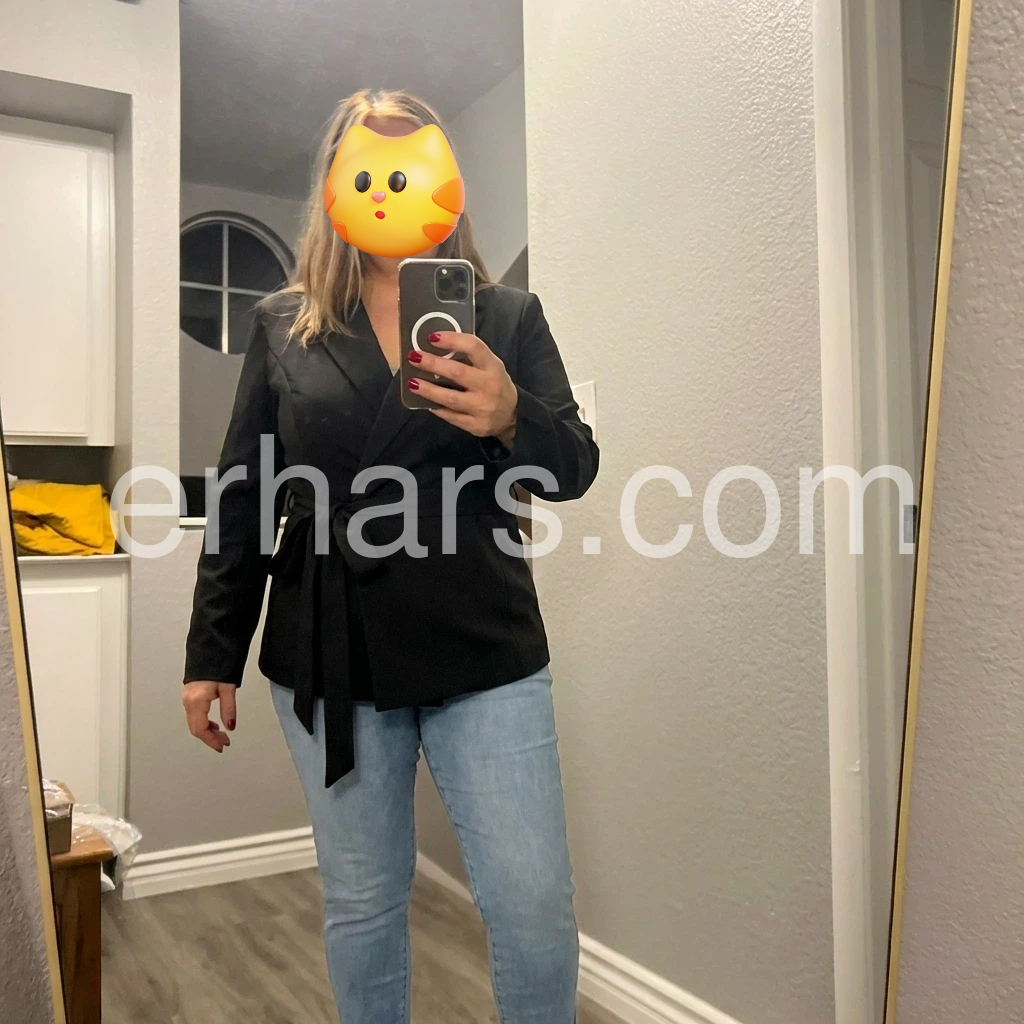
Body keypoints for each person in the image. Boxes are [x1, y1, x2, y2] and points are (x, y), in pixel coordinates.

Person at [181, 88, 598, 1024]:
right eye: (366, 172)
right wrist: (213, 654)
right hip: (331, 649)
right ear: (337, 187)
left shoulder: (506, 316)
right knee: (364, 902)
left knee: (533, 907)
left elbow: (574, 467)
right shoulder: (284, 324)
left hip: (483, 647)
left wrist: (512, 416)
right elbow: (244, 495)